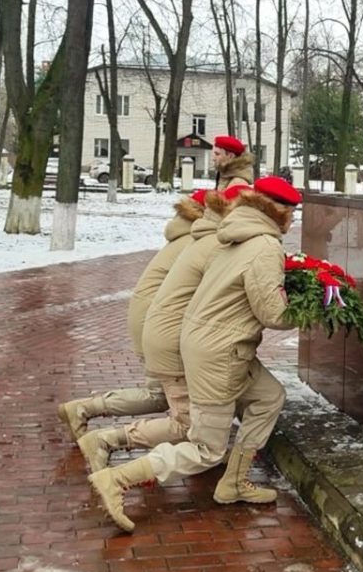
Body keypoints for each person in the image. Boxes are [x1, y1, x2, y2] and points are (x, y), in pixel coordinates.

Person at [86, 176, 301, 532]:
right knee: (206, 448)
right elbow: (273, 314)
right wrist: (314, 311)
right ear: (278, 211)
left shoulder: (236, 234)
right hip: (222, 352)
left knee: (269, 397)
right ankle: (118, 479)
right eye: (292, 213)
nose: (293, 220)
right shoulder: (264, 245)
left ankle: (234, 482)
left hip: (213, 343)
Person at [76, 184, 249, 472]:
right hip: (166, 331)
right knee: (182, 419)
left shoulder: (191, 235)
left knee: (166, 398)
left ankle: (85, 412)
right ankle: (106, 440)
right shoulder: (208, 243)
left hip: (156, 324)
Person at [56, 189, 208, 441]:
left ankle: (82, 409)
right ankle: (105, 438)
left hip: (148, 317)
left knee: (159, 393)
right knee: (166, 397)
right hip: (158, 321)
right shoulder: (195, 241)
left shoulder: (183, 234)